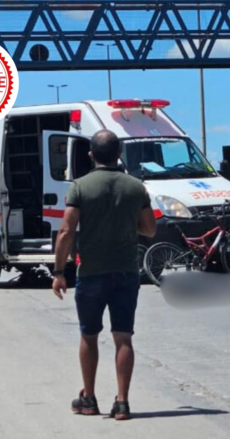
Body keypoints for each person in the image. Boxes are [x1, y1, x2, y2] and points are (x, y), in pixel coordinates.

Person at [52, 129, 157, 420]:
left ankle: (89, 398)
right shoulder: (136, 187)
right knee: (124, 337)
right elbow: (149, 229)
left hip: (91, 272)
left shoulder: (80, 187)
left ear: (90, 156)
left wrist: (59, 272)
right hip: (126, 272)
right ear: (118, 154)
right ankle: (122, 402)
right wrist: (124, 223)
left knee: (89, 335)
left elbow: (66, 231)